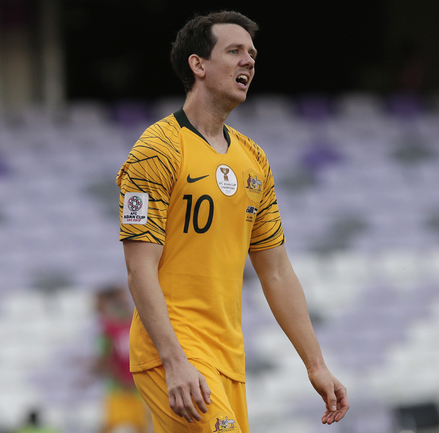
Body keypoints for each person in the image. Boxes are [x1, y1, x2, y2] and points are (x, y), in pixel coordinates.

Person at [116, 10, 349, 433]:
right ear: (198, 64)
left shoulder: (254, 160)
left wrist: (316, 364)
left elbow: (276, 271)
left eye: (252, 54)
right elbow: (138, 269)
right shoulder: (156, 150)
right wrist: (175, 360)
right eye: (235, 51)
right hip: (176, 351)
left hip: (228, 359)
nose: (249, 61)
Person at [94, 285, 150, 433]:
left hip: (137, 386)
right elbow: (105, 358)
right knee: (113, 425)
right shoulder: (107, 328)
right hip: (118, 388)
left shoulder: (136, 323)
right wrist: (118, 378)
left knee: (140, 425)